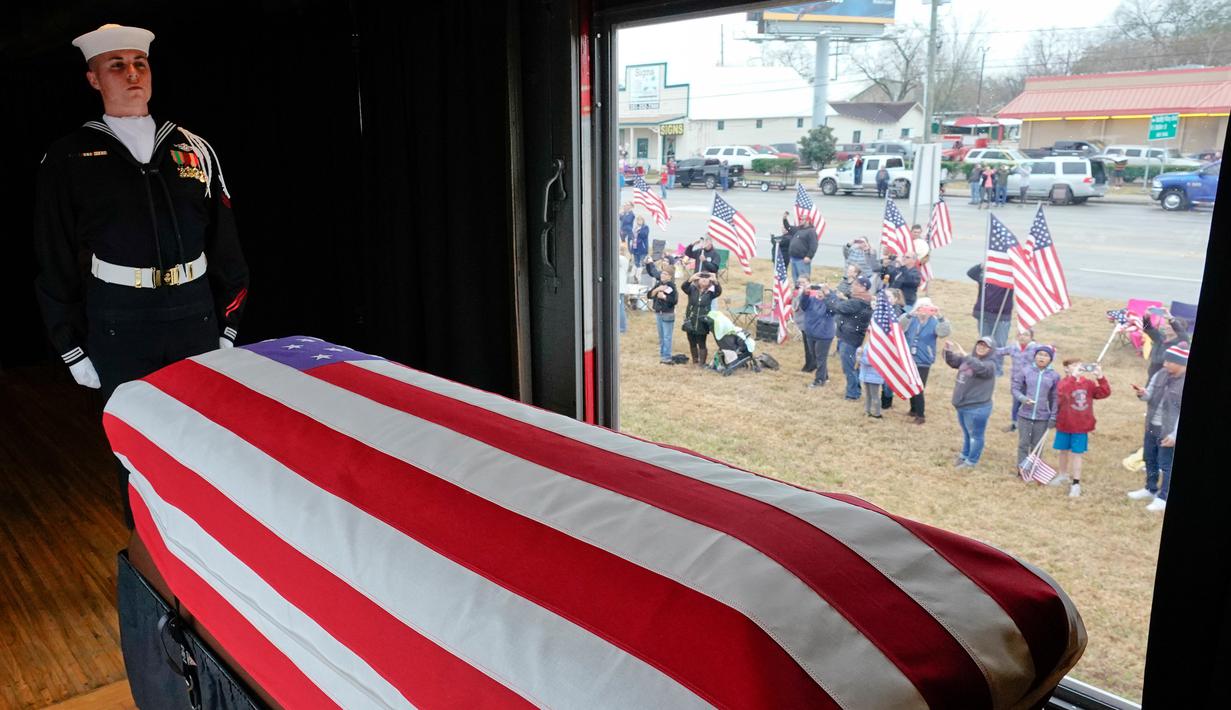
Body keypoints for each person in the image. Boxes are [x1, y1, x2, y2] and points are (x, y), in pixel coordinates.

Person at [34, 24, 249, 526]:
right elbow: (54, 256)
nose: (132, 74)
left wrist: (228, 323)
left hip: (193, 315)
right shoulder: (67, 158)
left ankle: (204, 563)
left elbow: (226, 243)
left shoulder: (194, 149)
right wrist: (69, 344)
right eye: (117, 65)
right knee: (135, 450)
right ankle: (150, 573)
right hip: (120, 321)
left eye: (140, 63)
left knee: (201, 442)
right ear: (93, 78)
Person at [1128, 343, 1188, 512]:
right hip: (1152, 425)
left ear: (1181, 363)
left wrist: (1175, 435)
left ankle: (1164, 497)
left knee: (1166, 464)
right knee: (1150, 458)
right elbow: (1149, 395)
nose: (1165, 364)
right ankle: (1150, 488)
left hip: (1169, 431)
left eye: (1169, 361)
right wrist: (1142, 393)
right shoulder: (1160, 374)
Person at [1054, 359, 1112, 497]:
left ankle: (1076, 482)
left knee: (1077, 454)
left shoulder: (1088, 383)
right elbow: (1062, 393)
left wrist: (1100, 376)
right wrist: (1073, 377)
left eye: (1079, 365)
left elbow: (1104, 392)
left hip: (1081, 426)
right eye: (1073, 366)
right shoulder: (1063, 382)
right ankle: (1062, 475)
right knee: (1063, 451)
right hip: (1064, 423)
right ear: (1066, 369)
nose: (1077, 368)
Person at [944, 336, 998, 469]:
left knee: (976, 435)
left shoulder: (990, 365)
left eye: (985, 346)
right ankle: (964, 455)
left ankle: (971, 462)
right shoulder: (970, 359)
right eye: (979, 344)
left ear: (991, 350)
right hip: (962, 405)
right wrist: (948, 351)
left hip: (977, 407)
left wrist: (967, 356)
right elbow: (953, 362)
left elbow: (980, 368)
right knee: (967, 433)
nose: (981, 347)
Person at [1013, 345, 1060, 479]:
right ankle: (1021, 470)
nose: (1042, 357)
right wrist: (1023, 399)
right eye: (1039, 354)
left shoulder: (1054, 376)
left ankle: (1033, 470)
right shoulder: (1026, 371)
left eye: (1045, 355)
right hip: (1025, 414)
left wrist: (1053, 416)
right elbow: (1015, 388)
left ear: (1050, 359)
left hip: (1042, 416)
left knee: (1037, 445)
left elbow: (1055, 398)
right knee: (1023, 443)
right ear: (1035, 356)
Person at [901, 297, 950, 424]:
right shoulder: (912, 320)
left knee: (919, 387)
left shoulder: (934, 322)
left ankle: (921, 415)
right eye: (921, 307)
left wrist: (939, 316)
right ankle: (913, 409)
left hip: (924, 359)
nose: (923, 311)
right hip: (910, 358)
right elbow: (899, 326)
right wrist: (911, 314)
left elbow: (944, 332)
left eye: (927, 308)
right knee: (911, 384)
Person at [825, 276, 874, 400]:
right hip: (856, 336)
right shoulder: (865, 300)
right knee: (854, 366)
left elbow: (837, 307)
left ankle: (853, 394)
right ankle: (855, 390)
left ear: (863, 287)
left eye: (856, 285)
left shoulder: (857, 302)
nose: (853, 286)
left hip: (849, 338)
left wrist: (829, 296)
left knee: (850, 367)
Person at [967, 263, 1014, 369]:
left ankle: (996, 370)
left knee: (999, 344)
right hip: (984, 313)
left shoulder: (1008, 277)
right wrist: (981, 266)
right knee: (983, 343)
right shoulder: (985, 275)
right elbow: (970, 273)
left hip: (1002, 315)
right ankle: (980, 366)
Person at [996, 328, 1039, 430]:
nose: (1022, 337)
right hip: (1016, 382)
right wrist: (988, 348)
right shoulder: (1013, 347)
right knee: (1016, 403)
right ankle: (1015, 424)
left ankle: (1030, 425)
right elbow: (999, 351)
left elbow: (1049, 355)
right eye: (1020, 334)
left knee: (1030, 403)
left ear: (1031, 337)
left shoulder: (1036, 348)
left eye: (1026, 334)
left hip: (1031, 382)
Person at [797, 281, 836, 388]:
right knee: (815, 358)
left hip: (824, 336)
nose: (820, 293)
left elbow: (833, 309)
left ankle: (819, 381)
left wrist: (829, 295)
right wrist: (805, 293)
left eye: (822, 292)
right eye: (818, 291)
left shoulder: (829, 303)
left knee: (820, 358)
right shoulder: (811, 300)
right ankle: (825, 376)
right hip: (810, 334)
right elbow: (803, 305)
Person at [681, 271, 722, 366]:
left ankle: (702, 363)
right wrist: (690, 278)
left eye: (706, 278)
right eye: (701, 278)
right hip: (691, 319)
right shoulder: (692, 289)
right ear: (697, 280)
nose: (704, 279)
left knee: (701, 342)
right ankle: (695, 360)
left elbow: (719, 291)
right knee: (691, 341)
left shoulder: (711, 292)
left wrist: (716, 281)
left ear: (710, 281)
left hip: (702, 321)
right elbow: (684, 287)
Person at [644, 258, 678, 363]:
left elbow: (674, 300)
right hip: (658, 312)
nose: (662, 275)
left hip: (668, 314)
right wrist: (657, 290)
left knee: (667, 336)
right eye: (662, 273)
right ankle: (662, 353)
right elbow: (649, 295)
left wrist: (664, 297)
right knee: (661, 336)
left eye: (665, 274)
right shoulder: (659, 284)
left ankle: (667, 356)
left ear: (670, 276)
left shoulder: (672, 286)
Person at [1142, 309, 1190, 380]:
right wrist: (1146, 317)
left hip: (1166, 377)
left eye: (1171, 325)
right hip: (1152, 373)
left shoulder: (1180, 344)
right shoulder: (1160, 337)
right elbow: (1147, 328)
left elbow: (1182, 333)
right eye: (1167, 324)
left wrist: (1171, 319)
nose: (1167, 326)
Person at [857, 343, 885, 418]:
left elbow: (871, 361)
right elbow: (860, 353)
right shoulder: (866, 345)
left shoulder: (879, 347)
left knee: (875, 395)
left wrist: (860, 358)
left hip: (874, 377)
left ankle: (877, 413)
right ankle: (867, 411)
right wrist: (859, 352)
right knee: (868, 395)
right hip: (866, 376)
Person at [787, 217, 818, 281]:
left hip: (802, 260)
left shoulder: (811, 231)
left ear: (807, 221)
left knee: (803, 279)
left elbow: (814, 245)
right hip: (793, 258)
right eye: (800, 219)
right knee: (795, 279)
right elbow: (788, 228)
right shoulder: (798, 229)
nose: (800, 221)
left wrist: (809, 256)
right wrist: (784, 219)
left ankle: (804, 291)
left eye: (802, 219)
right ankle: (796, 290)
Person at [617, 243, 631, 334]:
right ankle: (621, 326)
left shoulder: (621, 259)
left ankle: (622, 327)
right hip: (621, 287)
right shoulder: (625, 259)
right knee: (620, 307)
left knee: (620, 308)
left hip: (619, 288)